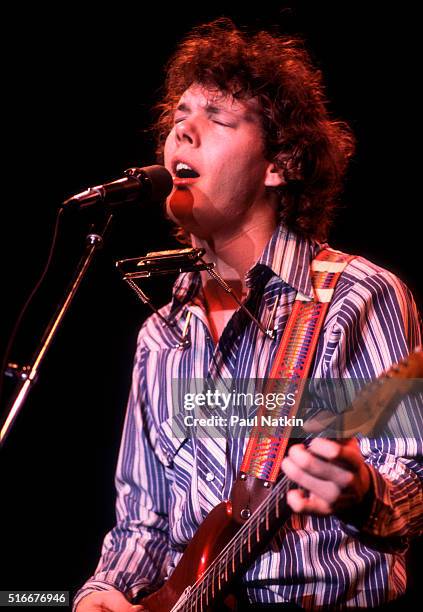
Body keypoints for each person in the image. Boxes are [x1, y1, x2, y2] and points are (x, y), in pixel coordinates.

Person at [73, 19, 422, 611]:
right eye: (180, 115)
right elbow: (143, 527)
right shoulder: (161, 336)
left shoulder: (354, 299)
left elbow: (412, 479)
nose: (184, 128)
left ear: (279, 163)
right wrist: (102, 591)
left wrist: (363, 492)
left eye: (217, 117)